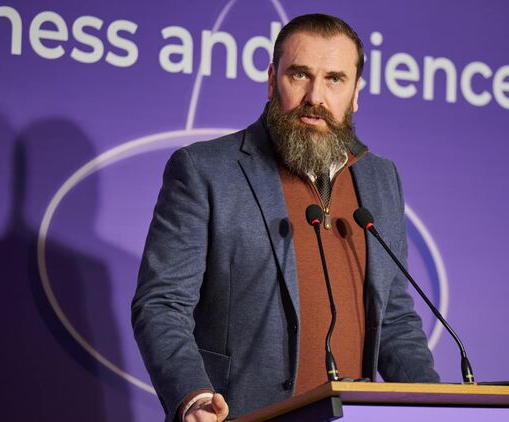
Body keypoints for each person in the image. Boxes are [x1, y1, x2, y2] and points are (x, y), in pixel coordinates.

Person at [132, 13, 439, 422]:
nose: (315, 96)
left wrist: (437, 406)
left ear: (355, 94)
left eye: (334, 79)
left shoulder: (380, 179)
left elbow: (394, 318)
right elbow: (162, 303)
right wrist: (193, 394)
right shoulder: (205, 170)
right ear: (272, 79)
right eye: (300, 75)